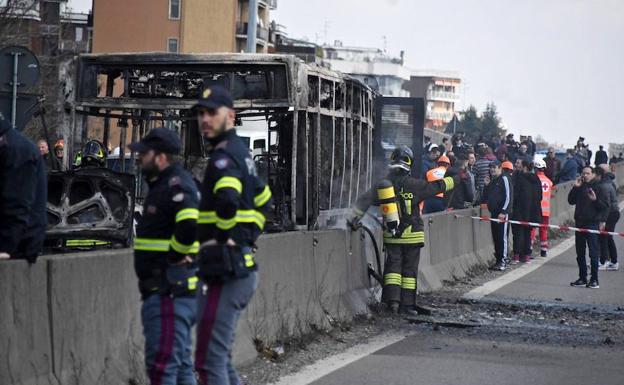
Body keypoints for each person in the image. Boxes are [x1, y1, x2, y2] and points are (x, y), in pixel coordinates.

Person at [193, 86, 272, 385]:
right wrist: (249, 235)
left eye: (212, 113)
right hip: (234, 265)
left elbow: (227, 199)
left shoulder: (224, 157)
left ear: (231, 116)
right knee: (218, 360)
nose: (205, 119)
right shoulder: (242, 153)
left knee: (208, 362)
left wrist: (225, 236)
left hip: (224, 269)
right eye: (201, 113)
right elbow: (266, 201)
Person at [351, 146, 459, 315]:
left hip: (392, 236)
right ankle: (407, 305)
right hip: (412, 235)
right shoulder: (415, 184)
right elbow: (438, 187)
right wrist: (457, 178)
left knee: (393, 269)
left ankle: (391, 303)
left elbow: (363, 201)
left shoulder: (383, 185)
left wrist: (351, 220)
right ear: (409, 163)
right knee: (409, 271)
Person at [129, 128, 200, 385]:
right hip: (166, 289)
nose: (139, 159)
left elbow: (190, 223)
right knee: (178, 364)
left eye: (144, 154)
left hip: (167, 291)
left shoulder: (175, 185)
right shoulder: (164, 185)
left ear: (159, 157)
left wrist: (175, 255)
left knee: (162, 367)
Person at [0, 115, 47, 263]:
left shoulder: (16, 150)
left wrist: (5, 247)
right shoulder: (12, 146)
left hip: (19, 246)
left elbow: (16, 203)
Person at [568, 166, 610, 289]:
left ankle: (594, 279)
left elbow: (605, 207)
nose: (585, 175)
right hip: (580, 223)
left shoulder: (599, 187)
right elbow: (570, 201)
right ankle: (582, 277)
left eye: (587, 173)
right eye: (583, 173)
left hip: (592, 223)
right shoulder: (580, 186)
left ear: (592, 174)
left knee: (593, 253)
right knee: (580, 253)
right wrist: (575, 187)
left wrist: (595, 200)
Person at [482, 160, 513, 271]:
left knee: (502, 237)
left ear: (500, 168)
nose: (492, 169)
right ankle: (498, 260)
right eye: (490, 167)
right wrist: (486, 186)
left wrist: (504, 212)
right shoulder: (493, 181)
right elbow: (485, 198)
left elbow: (509, 197)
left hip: (502, 213)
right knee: (496, 237)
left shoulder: (504, 179)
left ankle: (503, 261)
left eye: (494, 167)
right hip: (494, 213)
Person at [510, 159, 542, 264]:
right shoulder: (536, 179)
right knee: (528, 233)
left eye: (518, 163)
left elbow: (515, 195)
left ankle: (516, 256)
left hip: (519, 211)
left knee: (518, 233)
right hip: (532, 212)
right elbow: (540, 196)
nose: (516, 165)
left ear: (524, 167)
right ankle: (527, 255)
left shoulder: (519, 178)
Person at [597, 164, 619, 271]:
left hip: (610, 214)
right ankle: (613, 261)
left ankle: (604, 261)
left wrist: (603, 220)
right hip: (613, 212)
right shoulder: (609, 182)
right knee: (608, 237)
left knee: (604, 237)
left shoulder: (604, 186)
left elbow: (606, 205)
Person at [532, 159, 553, 257]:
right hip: (546, 210)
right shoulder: (549, 182)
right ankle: (544, 250)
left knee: (531, 229)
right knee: (543, 230)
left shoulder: (534, 180)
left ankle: (529, 249)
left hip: (536, 209)